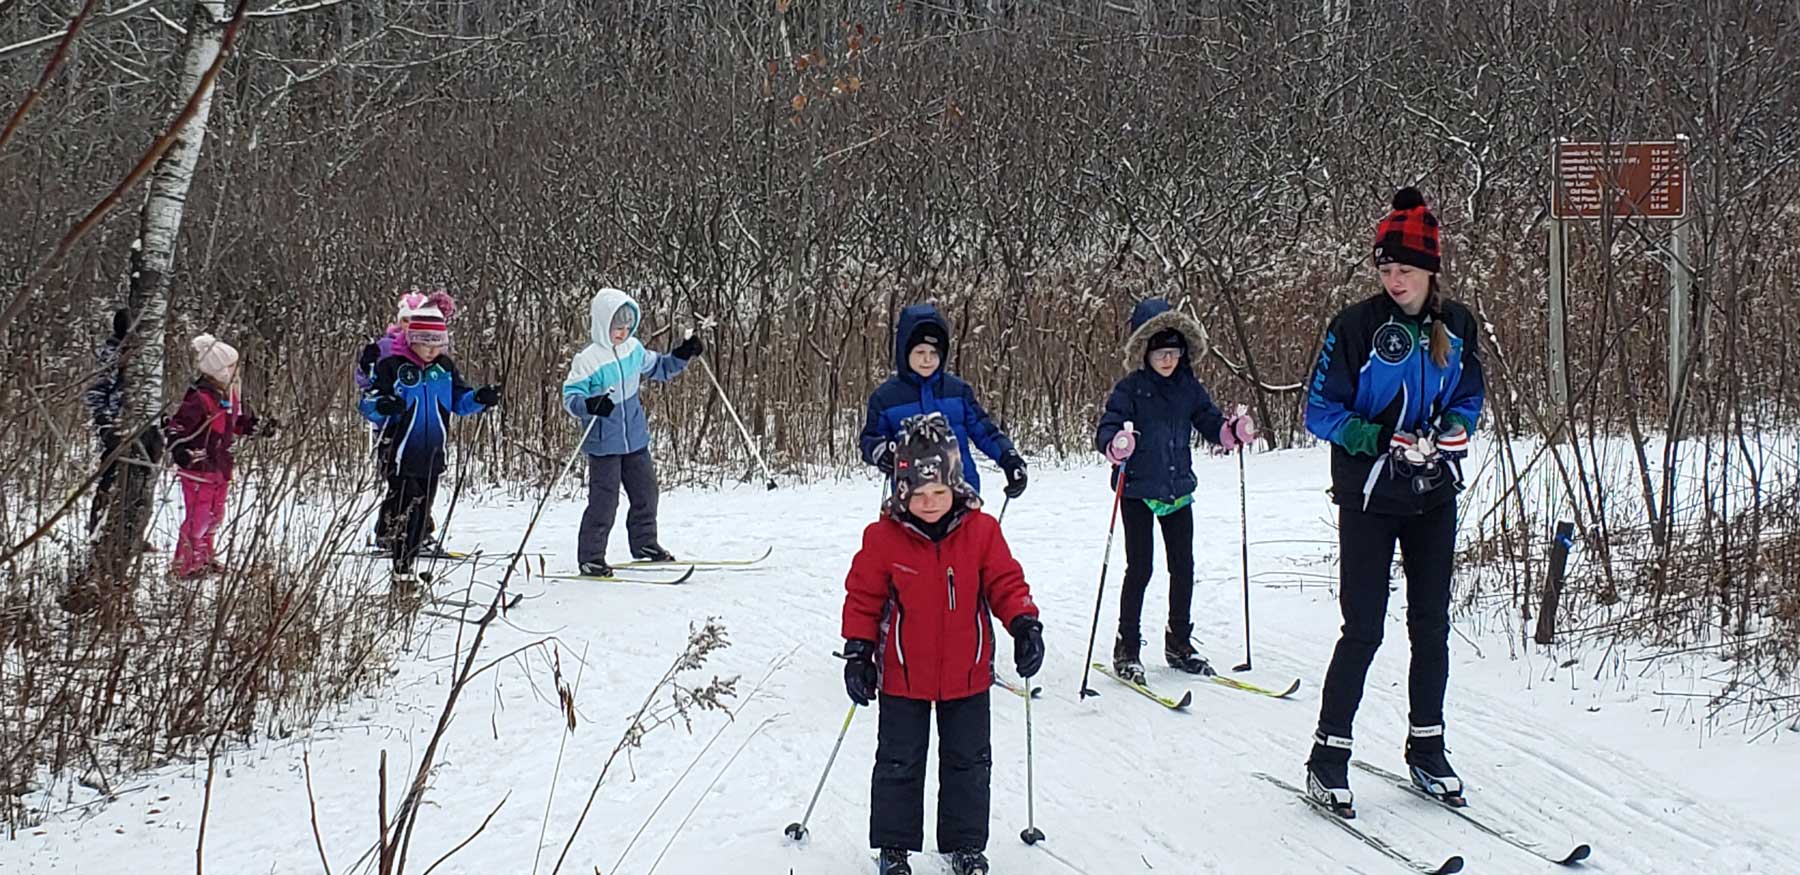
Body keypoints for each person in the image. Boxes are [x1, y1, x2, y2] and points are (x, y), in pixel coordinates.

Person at [1301, 187, 1485, 817]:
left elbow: (1469, 395)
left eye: (1404, 268)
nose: (1394, 278)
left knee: (1432, 625)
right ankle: (1328, 757)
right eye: (1385, 268)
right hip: (1371, 495)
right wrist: (1378, 437)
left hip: (1433, 492)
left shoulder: (1456, 323)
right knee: (1365, 628)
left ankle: (1427, 747)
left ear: (1430, 269)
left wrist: (1458, 427)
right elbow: (1319, 412)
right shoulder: (1355, 326)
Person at [841, 412, 1043, 875]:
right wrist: (858, 652)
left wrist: (1025, 623)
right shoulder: (882, 538)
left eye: (939, 491)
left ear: (956, 486)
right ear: (902, 491)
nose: (929, 503)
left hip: (968, 673)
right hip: (903, 675)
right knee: (897, 761)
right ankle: (894, 846)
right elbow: (864, 598)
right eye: (918, 493)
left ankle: (965, 844)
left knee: (969, 762)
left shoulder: (981, 532)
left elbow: (1005, 582)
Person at [1094, 298, 1254, 684]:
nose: (1168, 360)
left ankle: (1178, 641)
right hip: (1136, 490)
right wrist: (1116, 445)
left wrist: (1231, 432)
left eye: (1174, 352)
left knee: (1183, 567)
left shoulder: (1189, 387)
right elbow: (1106, 429)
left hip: (1177, 488)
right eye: (1161, 353)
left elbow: (1209, 421)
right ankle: (1126, 645)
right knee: (1141, 568)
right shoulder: (1130, 389)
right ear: (1146, 352)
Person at [560, 287, 702, 577]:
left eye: (626, 327)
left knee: (646, 492)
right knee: (604, 502)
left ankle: (645, 543)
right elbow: (571, 397)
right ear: (602, 324)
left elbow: (660, 368)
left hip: (635, 438)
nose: (621, 333)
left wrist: (683, 354)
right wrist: (590, 404)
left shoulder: (634, 349)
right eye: (616, 327)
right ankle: (591, 557)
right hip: (604, 444)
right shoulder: (588, 359)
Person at [359, 303, 499, 589]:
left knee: (422, 509)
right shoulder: (392, 366)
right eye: (426, 344)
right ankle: (402, 570)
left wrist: (480, 398)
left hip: (433, 452)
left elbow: (460, 401)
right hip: (399, 451)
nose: (432, 351)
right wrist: (383, 405)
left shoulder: (444, 368)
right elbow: (369, 401)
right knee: (405, 506)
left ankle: (409, 564)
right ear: (412, 339)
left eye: (438, 344)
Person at [859, 303, 1027, 502]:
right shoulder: (886, 398)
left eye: (934, 353)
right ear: (905, 352)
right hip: (913, 498)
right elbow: (870, 439)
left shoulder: (958, 391)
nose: (927, 360)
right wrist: (882, 452)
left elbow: (985, 432)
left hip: (962, 491)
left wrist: (1009, 458)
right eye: (920, 352)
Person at [164, 334, 273, 579]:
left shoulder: (225, 396)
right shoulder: (200, 398)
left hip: (219, 466)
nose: (236, 372)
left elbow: (233, 423)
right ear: (219, 369)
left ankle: (205, 557)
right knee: (199, 516)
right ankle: (185, 564)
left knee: (215, 515)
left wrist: (256, 427)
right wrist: (180, 450)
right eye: (232, 367)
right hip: (198, 465)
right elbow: (177, 427)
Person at [355, 289, 454, 550]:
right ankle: (391, 532)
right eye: (406, 320)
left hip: (423, 430)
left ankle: (418, 532)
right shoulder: (386, 346)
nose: (409, 325)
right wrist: (368, 370)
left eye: (415, 319)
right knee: (400, 484)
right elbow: (368, 383)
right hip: (390, 426)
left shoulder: (430, 347)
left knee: (422, 485)